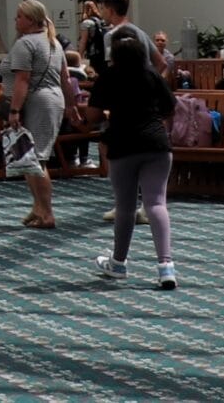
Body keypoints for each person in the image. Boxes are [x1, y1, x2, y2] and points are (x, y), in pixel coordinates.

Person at [89, 34, 179, 289]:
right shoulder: (152, 76)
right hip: (157, 144)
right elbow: (170, 108)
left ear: (114, 56)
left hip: (123, 144)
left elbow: (93, 115)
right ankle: (166, 266)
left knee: (126, 207)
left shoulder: (109, 77)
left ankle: (118, 263)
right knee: (156, 203)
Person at [1, 0, 67, 231]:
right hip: (52, 99)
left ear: (30, 19)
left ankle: (47, 212)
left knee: (37, 159)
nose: (16, 20)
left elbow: (22, 80)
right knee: (29, 158)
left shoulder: (26, 44)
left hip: (36, 102)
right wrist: (72, 107)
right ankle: (38, 207)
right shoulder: (53, 43)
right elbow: (65, 78)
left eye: (19, 16)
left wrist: (14, 110)